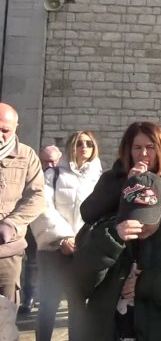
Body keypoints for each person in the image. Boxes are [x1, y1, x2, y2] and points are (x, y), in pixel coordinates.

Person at [72, 172, 161, 340]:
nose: (140, 224)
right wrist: (110, 242)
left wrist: (149, 282)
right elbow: (79, 284)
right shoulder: (104, 234)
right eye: (133, 214)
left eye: (147, 217)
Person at [31, 131, 102, 341]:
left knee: (77, 304)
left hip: (83, 249)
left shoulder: (99, 178)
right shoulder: (53, 175)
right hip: (54, 250)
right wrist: (62, 237)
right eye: (79, 143)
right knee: (48, 303)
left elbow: (101, 213)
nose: (84, 147)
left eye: (89, 143)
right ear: (71, 146)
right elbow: (42, 207)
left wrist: (85, 241)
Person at [81, 121, 161, 236]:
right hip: (120, 250)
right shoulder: (112, 178)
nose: (143, 153)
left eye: (150, 147)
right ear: (129, 150)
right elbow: (88, 214)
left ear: (160, 150)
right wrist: (128, 184)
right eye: (137, 148)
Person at [0, 103, 44, 305]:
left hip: (8, 250)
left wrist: (11, 224)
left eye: (5, 130)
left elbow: (37, 197)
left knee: (5, 316)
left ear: (16, 127)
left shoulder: (27, 157)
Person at [17, 145, 60, 314]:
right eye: (46, 161)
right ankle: (29, 298)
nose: (49, 165)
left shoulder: (61, 176)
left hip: (56, 226)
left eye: (53, 161)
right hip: (34, 223)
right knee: (33, 262)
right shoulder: (33, 174)